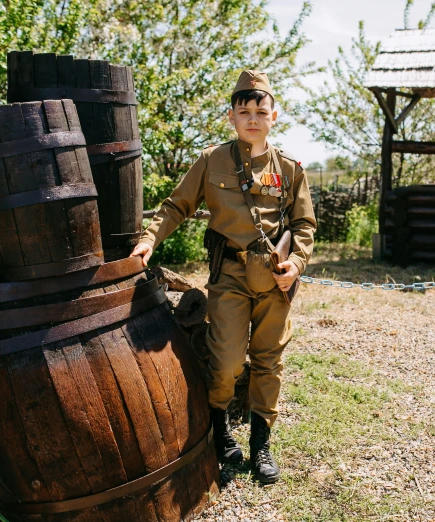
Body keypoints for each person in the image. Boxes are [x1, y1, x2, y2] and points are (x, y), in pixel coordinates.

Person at [130, 70, 316, 484]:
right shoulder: (211, 160)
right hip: (230, 273)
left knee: (269, 361)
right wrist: (149, 240)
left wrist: (296, 265)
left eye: (260, 111)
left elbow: (305, 225)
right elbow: (176, 205)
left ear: (274, 115)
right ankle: (220, 430)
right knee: (227, 360)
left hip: (274, 279)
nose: (252, 118)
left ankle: (261, 445)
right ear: (231, 115)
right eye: (244, 110)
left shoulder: (289, 169)